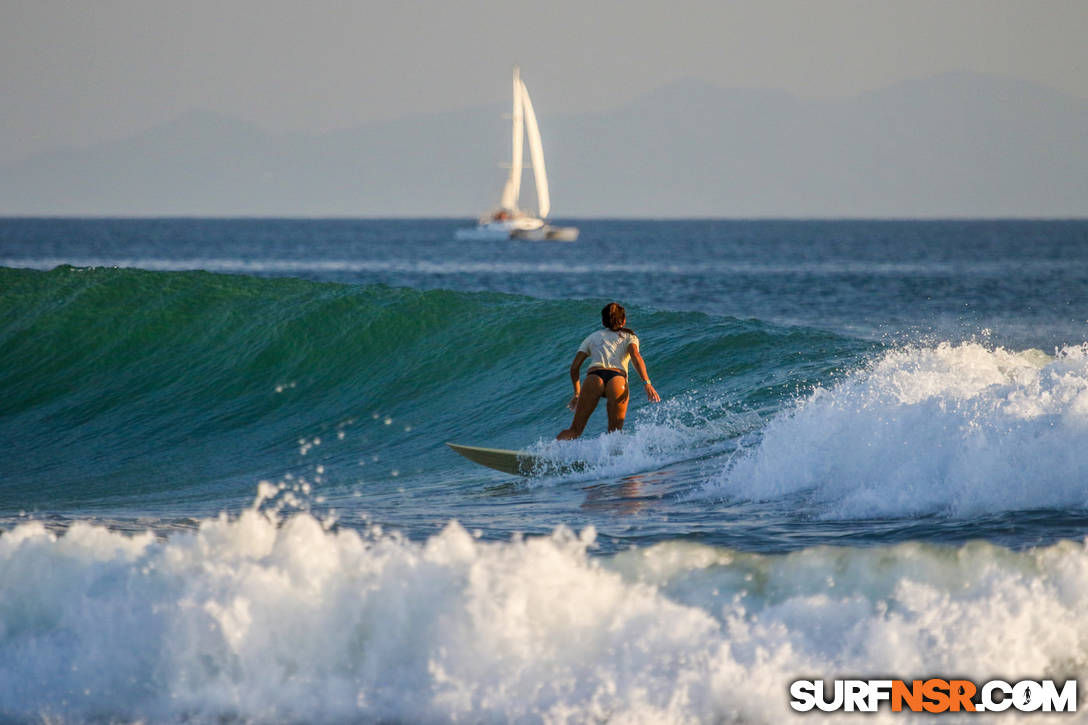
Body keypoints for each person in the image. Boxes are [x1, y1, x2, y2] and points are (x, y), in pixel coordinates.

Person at [557, 302, 660, 440]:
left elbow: (574, 367)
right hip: (617, 380)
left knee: (575, 430)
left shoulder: (592, 337)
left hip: (594, 377)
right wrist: (647, 383)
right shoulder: (630, 337)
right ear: (623, 320)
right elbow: (636, 357)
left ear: (603, 322)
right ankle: (613, 461)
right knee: (615, 434)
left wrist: (577, 393)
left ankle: (549, 456)